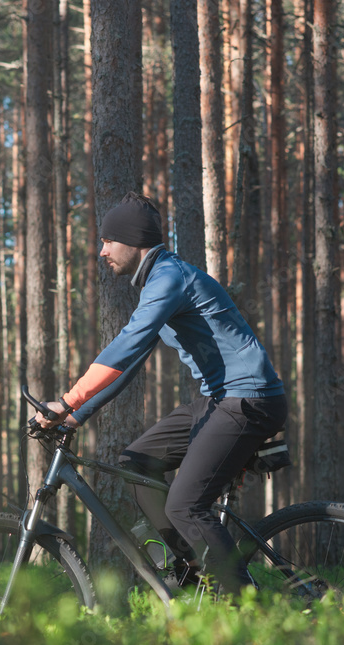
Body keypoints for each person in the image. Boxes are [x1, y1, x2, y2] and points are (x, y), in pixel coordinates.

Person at [34, 192, 287, 595]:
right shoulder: (160, 282)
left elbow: (127, 345)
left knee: (186, 505)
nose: (102, 252)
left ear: (133, 241)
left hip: (248, 400)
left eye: (107, 241)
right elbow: (129, 365)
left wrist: (68, 400)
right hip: (219, 400)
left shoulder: (170, 277)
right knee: (136, 461)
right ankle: (190, 567)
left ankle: (246, 607)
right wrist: (76, 416)